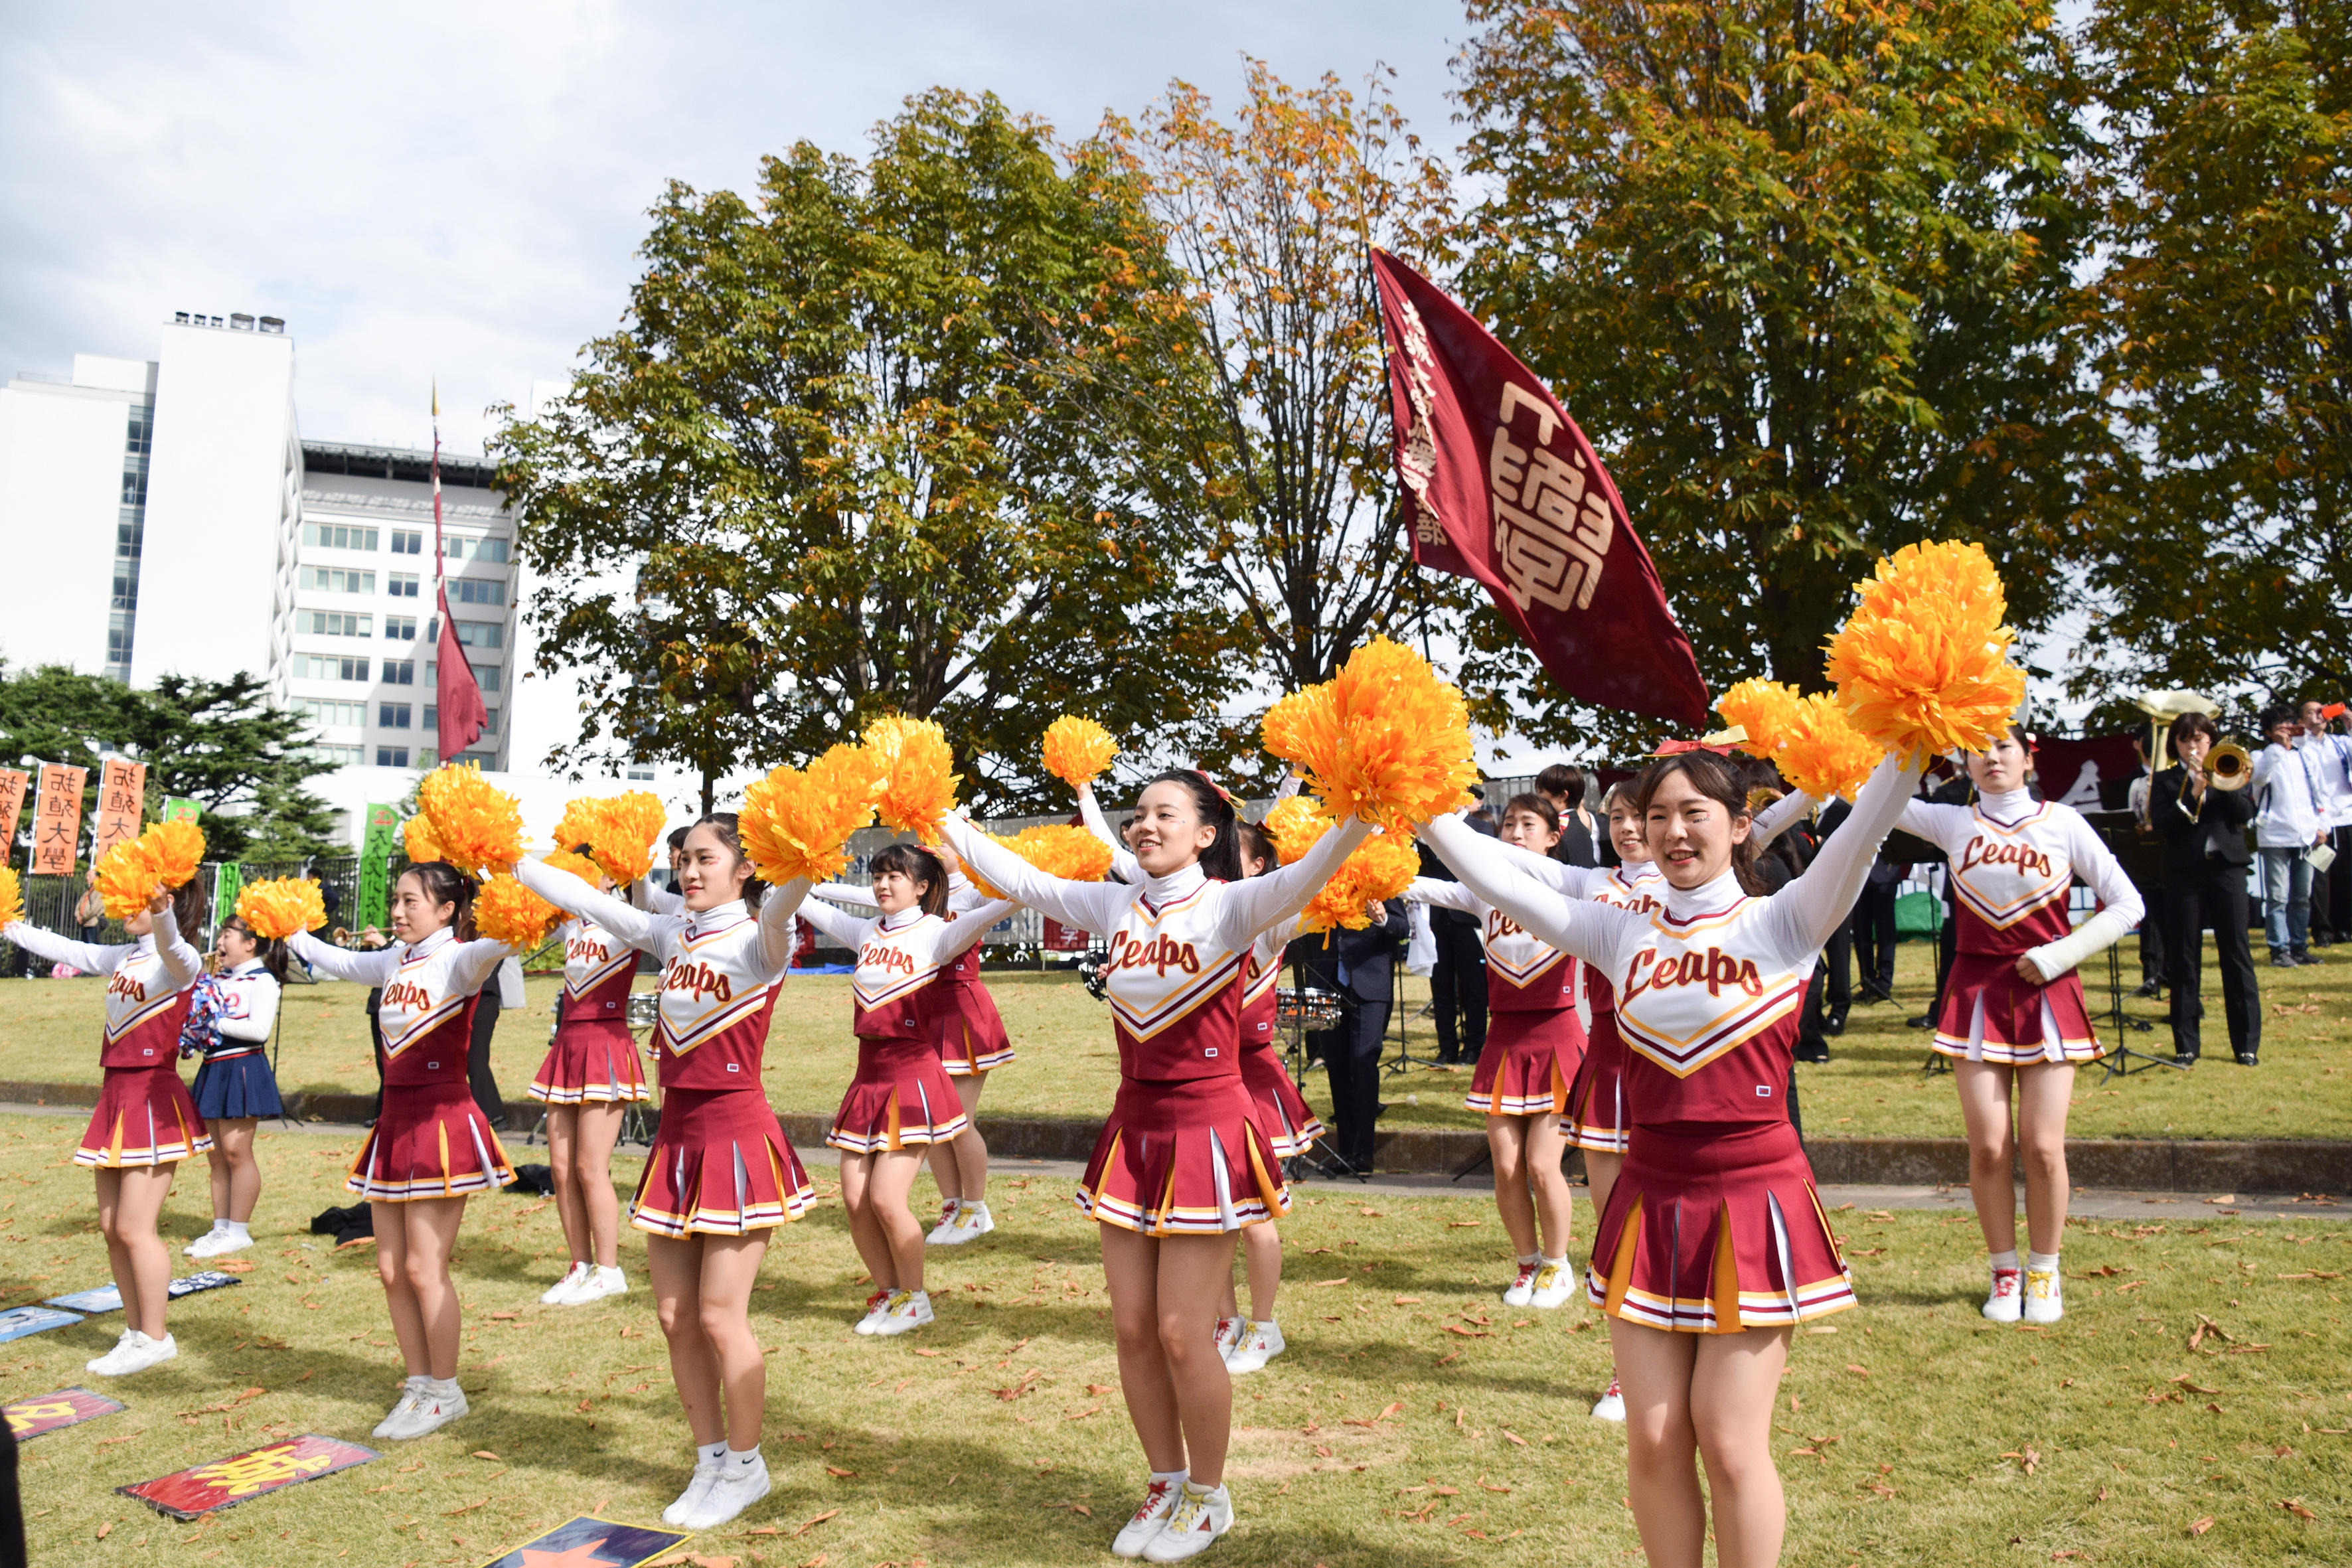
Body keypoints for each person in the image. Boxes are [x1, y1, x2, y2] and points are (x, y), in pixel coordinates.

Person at [1425, 745, 1922, 1568]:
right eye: (1658, 815)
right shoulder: (1619, 929)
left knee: (1729, 1441)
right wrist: (1407, 800)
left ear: (1738, 824)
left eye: (1695, 813)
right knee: (1654, 1437)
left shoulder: (1786, 919)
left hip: (1753, 1197)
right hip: (1649, 1198)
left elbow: (1863, 831)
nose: (1673, 831)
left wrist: (1910, 743)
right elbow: (1500, 878)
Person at [941, 775, 1370, 1563]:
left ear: (1206, 833)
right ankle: (1166, 1480)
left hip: (1207, 1126)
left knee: (1183, 1329)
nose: (1144, 826)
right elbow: (1024, 880)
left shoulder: (1232, 905)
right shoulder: (1119, 905)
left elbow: (1314, 873)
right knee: (1134, 1327)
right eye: (1137, 815)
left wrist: (1364, 809)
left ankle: (1211, 1495)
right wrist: (935, 813)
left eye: (1163, 814)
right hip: (1134, 1127)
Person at [514, 818, 813, 1529]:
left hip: (736, 1137)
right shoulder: (674, 934)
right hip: (675, 1141)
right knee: (674, 1315)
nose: (690, 870)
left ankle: (747, 1464)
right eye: (683, 859)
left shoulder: (761, 938)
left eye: (707, 859)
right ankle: (710, 1457)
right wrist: (509, 858)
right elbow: (589, 899)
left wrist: (811, 850)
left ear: (744, 869)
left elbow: (782, 904)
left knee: (718, 1314)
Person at [1897, 724, 2142, 1324]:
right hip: (1975, 991)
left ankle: (2044, 1271)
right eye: (1976, 749)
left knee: (2041, 1146)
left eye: (2002, 746)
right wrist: (1895, 735)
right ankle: (2003, 1271)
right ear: (1962, 761)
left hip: (2047, 990)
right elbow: (1872, 800)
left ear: (2028, 756)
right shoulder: (1950, 822)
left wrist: (2059, 955)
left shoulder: (2062, 822)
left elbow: (2128, 903)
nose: (1990, 757)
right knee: (1986, 1147)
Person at [287, 866, 522, 1439]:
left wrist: (497, 875)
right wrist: (287, 925)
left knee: (424, 1265)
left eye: (411, 901)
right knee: (392, 1268)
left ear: (445, 910)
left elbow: (514, 935)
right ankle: (419, 1384)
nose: (398, 911)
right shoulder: (396, 960)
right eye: (396, 899)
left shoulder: (462, 959)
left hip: (442, 1121)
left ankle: (446, 1389)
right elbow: (337, 961)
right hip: (395, 1122)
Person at [799, 844, 1014, 1335]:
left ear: (920, 886)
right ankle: (889, 1293)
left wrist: (1028, 883)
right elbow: (808, 903)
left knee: (886, 1199)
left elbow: (996, 909)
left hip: (914, 1077)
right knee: (854, 1200)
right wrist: (783, 871)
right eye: (876, 875)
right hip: (867, 1076)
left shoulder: (937, 933)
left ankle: (916, 1298)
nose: (881, 884)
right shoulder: (865, 930)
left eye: (894, 876)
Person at [4, 878, 210, 1376]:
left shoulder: (180, 959)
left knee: (136, 1228)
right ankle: (137, 1332)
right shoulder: (124, 956)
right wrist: (8, 924)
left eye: (136, 900)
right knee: (111, 1228)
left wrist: (162, 910)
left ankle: (155, 1335)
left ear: (167, 904)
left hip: (152, 1097)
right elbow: (66, 947)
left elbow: (172, 945)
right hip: (116, 1094)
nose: (123, 907)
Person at [1410, 794, 1587, 1310]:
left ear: (1553, 837)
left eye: (1527, 825)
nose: (1513, 833)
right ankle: (1526, 1263)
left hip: (1557, 1034)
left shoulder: (1575, 890)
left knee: (1539, 1163)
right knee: (1506, 1165)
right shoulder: (1484, 892)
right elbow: (1425, 886)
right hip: (1504, 1038)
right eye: (1508, 823)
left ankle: (1558, 1265)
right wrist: (1368, 874)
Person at [1216, 819, 1321, 1375]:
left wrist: (1358, 898)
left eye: (1237, 853)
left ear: (1259, 867)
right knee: (1211, 1213)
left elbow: (1312, 901)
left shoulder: (1269, 922)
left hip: (1250, 1080)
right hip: (1200, 1081)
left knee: (1253, 1212)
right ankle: (1225, 1319)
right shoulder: (1192, 912)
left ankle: (1263, 1325)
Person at [528, 866, 652, 1308]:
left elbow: (644, 898)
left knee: (588, 1167)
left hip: (605, 1045)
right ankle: (579, 1265)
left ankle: (609, 1269)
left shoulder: (625, 919)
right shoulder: (569, 924)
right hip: (568, 1045)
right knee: (560, 1168)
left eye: (593, 872)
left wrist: (636, 864)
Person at [2148, 714, 2261, 1065]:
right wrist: (2194, 791)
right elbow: (2163, 824)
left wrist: (2221, 784)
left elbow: (2245, 813)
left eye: (2199, 738)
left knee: (2237, 953)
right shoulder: (2166, 780)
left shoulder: (2232, 770)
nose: (2193, 745)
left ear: (2211, 740)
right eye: (2184, 740)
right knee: (2184, 956)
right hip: (2186, 873)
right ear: (2176, 745)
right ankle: (2186, 1044)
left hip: (2227, 868)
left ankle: (2246, 1044)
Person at [181, 913, 285, 1259]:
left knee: (237, 1151)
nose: (220, 942)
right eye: (220, 934)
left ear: (250, 942)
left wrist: (214, 1020)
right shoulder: (216, 978)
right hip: (214, 1068)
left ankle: (239, 1230)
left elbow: (259, 1031)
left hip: (243, 1068)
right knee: (216, 1157)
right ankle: (220, 1228)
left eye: (228, 935)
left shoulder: (263, 980)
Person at [2252, 705, 2325, 966]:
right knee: (2277, 896)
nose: (2286, 730)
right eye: (2279, 726)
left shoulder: (2305, 756)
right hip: (2274, 835)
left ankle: (2299, 946)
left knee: (2302, 896)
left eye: (2289, 724)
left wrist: (2322, 825)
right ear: (2268, 732)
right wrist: (2277, 748)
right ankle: (2278, 950)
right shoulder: (2261, 755)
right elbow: (2259, 780)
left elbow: (2319, 792)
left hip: (2306, 833)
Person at [1419, 815, 1491, 1067]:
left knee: (1473, 987)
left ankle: (1473, 1046)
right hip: (1437, 918)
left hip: (1467, 919)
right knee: (1441, 986)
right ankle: (1446, 1047)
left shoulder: (1479, 826)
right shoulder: (1425, 827)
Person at [2298, 699, 2352, 947]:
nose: (2317, 716)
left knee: (2346, 875)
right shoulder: (2299, 747)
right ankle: (2323, 931)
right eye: (2311, 712)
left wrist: (2349, 724)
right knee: (2321, 878)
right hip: (2318, 821)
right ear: (2302, 719)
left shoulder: (2340, 744)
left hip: (2346, 816)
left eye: (2321, 711)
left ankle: (2345, 927)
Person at [1536, 763, 1599, 868]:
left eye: (1541, 792)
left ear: (1562, 796)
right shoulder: (1580, 828)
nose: (1538, 798)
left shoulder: (1561, 830)